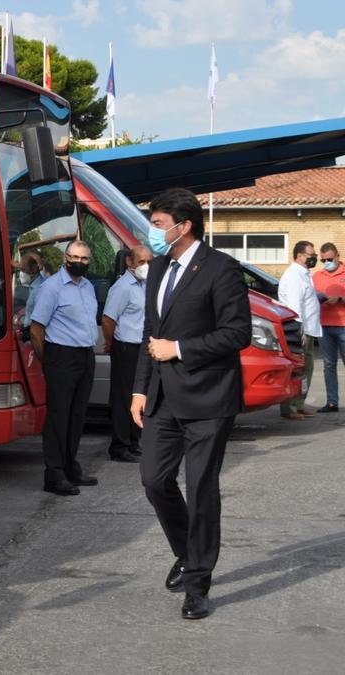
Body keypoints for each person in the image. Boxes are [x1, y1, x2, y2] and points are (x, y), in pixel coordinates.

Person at [131, 187, 251, 621]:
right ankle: (186, 551)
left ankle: (198, 583)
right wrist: (139, 389)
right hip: (162, 398)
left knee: (201, 491)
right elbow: (151, 333)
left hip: (208, 399)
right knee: (154, 480)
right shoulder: (158, 267)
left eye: (159, 224)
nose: (153, 231)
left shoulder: (222, 269)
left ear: (185, 226)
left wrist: (179, 348)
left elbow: (236, 333)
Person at [30, 240, 100, 496]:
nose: (78, 262)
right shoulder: (52, 287)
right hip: (61, 355)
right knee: (59, 416)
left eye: (83, 258)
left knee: (77, 414)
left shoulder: (89, 287)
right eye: (74, 257)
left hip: (85, 354)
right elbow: (36, 328)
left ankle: (71, 466)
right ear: (64, 258)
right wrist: (48, 361)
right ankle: (55, 474)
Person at [101, 244, 153, 463]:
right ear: (130, 263)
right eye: (141, 262)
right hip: (126, 347)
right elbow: (108, 319)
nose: (146, 266)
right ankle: (120, 446)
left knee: (138, 396)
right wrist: (111, 342)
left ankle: (133, 442)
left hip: (143, 348)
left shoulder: (146, 285)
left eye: (149, 261)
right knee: (123, 398)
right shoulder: (122, 287)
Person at [278, 240, 322, 420]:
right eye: (312, 255)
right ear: (300, 256)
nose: (315, 258)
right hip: (300, 330)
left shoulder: (304, 274)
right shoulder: (294, 276)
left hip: (310, 329)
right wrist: (300, 331)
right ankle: (290, 408)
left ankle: (299, 403)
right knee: (297, 370)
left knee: (307, 369)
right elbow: (295, 306)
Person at [313, 242, 345, 413]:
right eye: (323, 260)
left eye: (330, 259)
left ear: (338, 256)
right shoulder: (317, 276)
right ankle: (332, 402)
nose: (326, 263)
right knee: (328, 365)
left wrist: (339, 300)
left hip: (343, 326)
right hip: (323, 326)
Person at [19, 251, 49, 340]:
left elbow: (39, 320)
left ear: (33, 270)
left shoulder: (39, 289)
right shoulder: (33, 287)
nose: (21, 273)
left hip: (35, 335)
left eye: (23, 270)